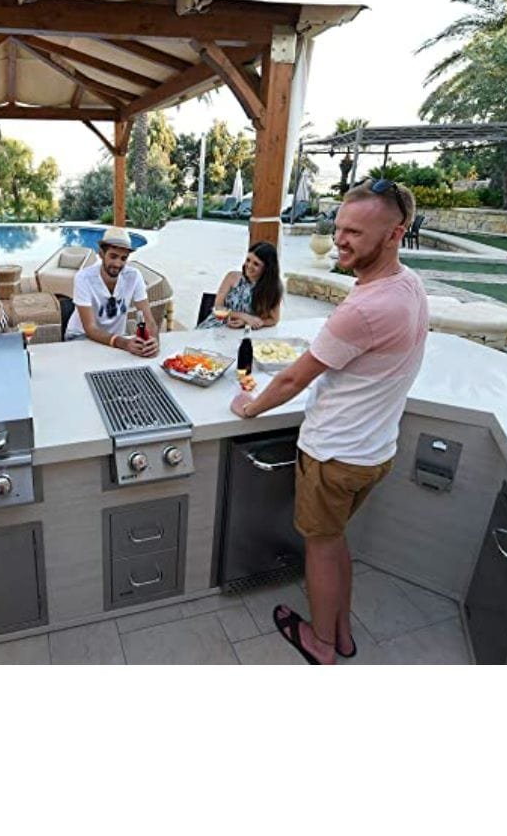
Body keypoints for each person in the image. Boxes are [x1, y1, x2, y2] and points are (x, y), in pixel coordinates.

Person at [230, 179, 429, 665]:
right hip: (375, 450)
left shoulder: (364, 308)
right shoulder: (409, 285)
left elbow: (293, 378)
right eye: (339, 227)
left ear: (394, 234)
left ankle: (321, 644)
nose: (340, 239)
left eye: (355, 232)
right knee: (335, 539)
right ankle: (340, 631)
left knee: (319, 547)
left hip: (334, 454)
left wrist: (248, 407)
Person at [64, 226, 159, 357]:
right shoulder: (84, 278)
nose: (118, 264)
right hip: (81, 336)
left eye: (123, 258)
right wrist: (124, 343)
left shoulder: (133, 276)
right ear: (101, 254)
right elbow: (90, 328)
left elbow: (148, 320)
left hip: (116, 340)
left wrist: (153, 341)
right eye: (113, 256)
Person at [197, 240, 283, 330]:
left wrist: (249, 322)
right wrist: (244, 317)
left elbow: (274, 319)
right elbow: (217, 308)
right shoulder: (232, 277)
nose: (249, 266)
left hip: (243, 330)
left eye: (256, 264)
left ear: (267, 268)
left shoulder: (272, 288)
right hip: (217, 324)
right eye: (248, 260)